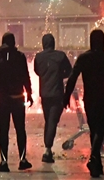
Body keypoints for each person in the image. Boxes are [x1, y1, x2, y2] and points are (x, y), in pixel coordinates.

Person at [64, 30, 104, 177]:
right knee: (101, 129)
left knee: (93, 128)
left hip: (90, 98)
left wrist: (66, 97)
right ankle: (95, 159)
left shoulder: (84, 58)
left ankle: (96, 164)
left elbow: (72, 78)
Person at [0, 32, 32, 172]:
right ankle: (22, 160)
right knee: (20, 129)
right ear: (14, 42)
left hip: (2, 99)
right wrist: (29, 94)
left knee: (3, 130)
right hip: (17, 98)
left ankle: (4, 162)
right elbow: (25, 76)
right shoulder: (20, 56)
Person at [34, 33, 72, 163]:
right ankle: (47, 150)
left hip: (44, 94)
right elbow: (69, 71)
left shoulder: (38, 57)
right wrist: (60, 75)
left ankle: (47, 148)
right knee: (52, 121)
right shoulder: (60, 56)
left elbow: (37, 71)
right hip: (57, 93)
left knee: (48, 120)